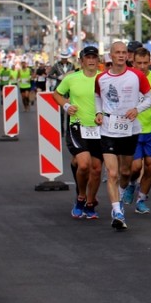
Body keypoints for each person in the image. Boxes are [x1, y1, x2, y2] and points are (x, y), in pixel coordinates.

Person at [96, 41, 151, 231]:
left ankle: (120, 196)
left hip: (130, 128)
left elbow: (150, 98)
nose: (121, 55)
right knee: (112, 173)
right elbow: (97, 96)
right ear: (111, 56)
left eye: (124, 53)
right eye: (117, 53)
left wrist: (137, 109)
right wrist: (99, 113)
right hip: (108, 128)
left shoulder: (136, 76)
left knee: (126, 172)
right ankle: (117, 211)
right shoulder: (101, 78)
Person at [53, 45, 104, 220]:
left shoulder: (104, 78)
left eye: (94, 57)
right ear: (81, 61)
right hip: (78, 126)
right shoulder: (71, 79)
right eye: (87, 58)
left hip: (100, 129)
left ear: (98, 61)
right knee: (84, 164)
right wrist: (66, 105)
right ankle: (81, 197)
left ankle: (90, 203)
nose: (91, 60)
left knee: (96, 170)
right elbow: (57, 94)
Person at [126, 47, 151, 215]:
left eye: (145, 63)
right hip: (133, 129)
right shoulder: (127, 79)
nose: (142, 67)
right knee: (135, 167)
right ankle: (131, 184)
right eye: (138, 63)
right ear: (132, 62)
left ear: (150, 62)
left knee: (150, 167)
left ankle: (142, 200)